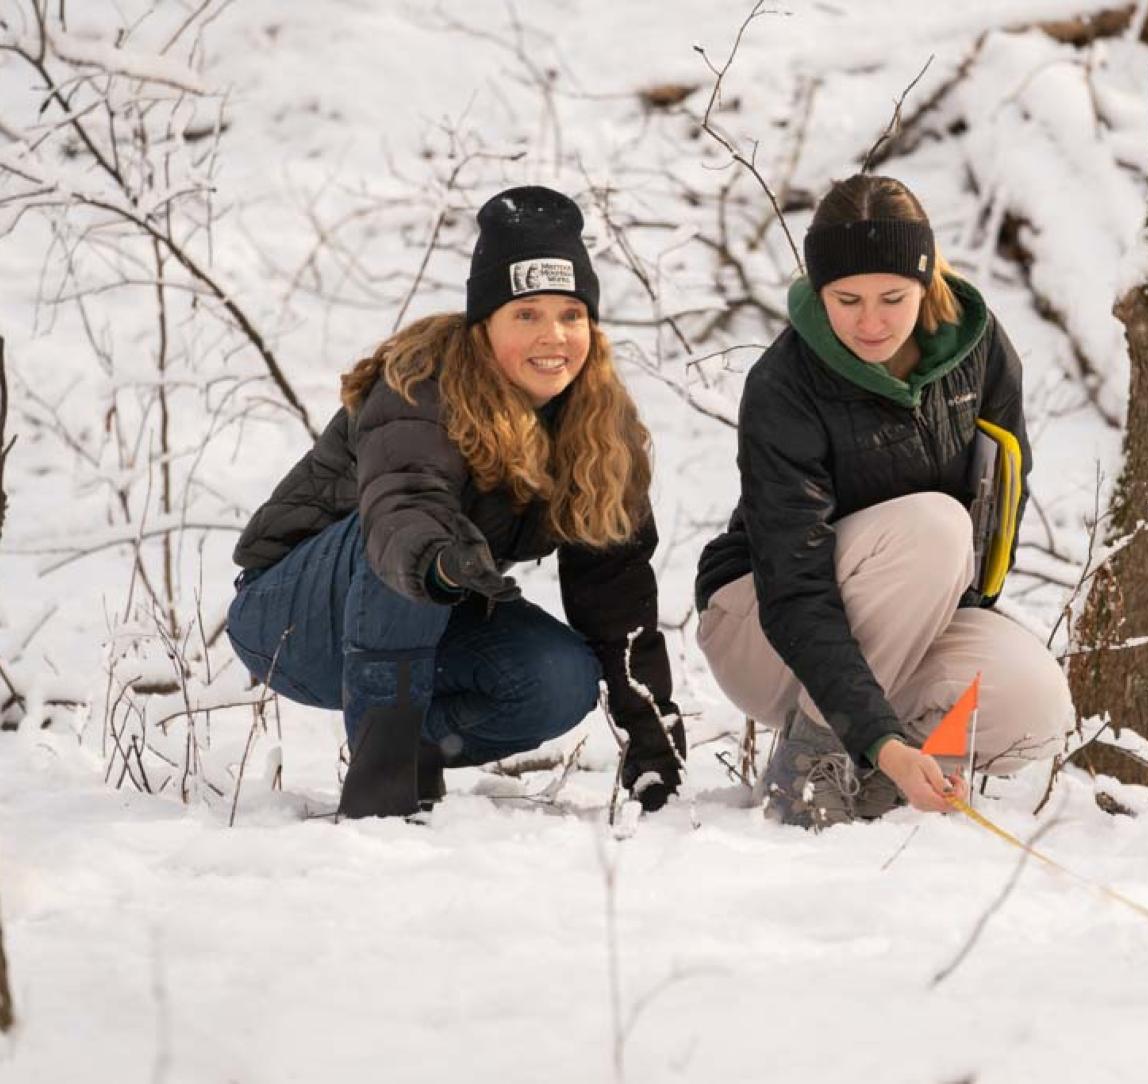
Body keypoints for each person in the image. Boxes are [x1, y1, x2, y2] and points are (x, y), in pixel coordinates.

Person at [227, 186, 685, 819]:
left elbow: (616, 592)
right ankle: (382, 785)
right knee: (405, 547)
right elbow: (404, 503)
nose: (553, 336)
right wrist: (439, 560)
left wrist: (653, 746)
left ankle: (416, 747)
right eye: (525, 315)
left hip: (431, 611)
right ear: (484, 323)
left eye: (570, 315)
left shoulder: (599, 426)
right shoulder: (421, 381)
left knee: (560, 680)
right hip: (292, 618)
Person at [694, 174, 1072, 830]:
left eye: (893, 298)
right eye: (847, 300)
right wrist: (877, 732)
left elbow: (1000, 504)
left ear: (926, 282)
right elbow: (797, 585)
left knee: (1033, 705)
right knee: (933, 526)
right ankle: (813, 762)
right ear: (819, 292)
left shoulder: (978, 354)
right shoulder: (784, 384)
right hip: (763, 626)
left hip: (905, 621)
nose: (871, 322)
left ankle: (876, 779)